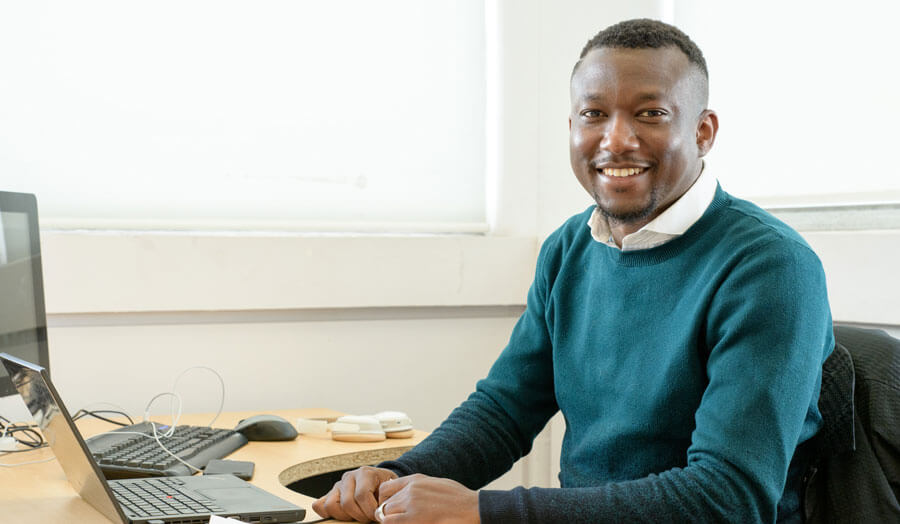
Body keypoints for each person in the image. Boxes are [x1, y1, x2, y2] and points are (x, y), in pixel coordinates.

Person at [313, 18, 833, 523]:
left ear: (702, 131)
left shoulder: (771, 267)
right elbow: (504, 411)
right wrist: (395, 475)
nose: (616, 140)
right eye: (594, 114)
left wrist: (483, 511)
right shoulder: (570, 248)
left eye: (650, 113)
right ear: (572, 127)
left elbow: (726, 498)